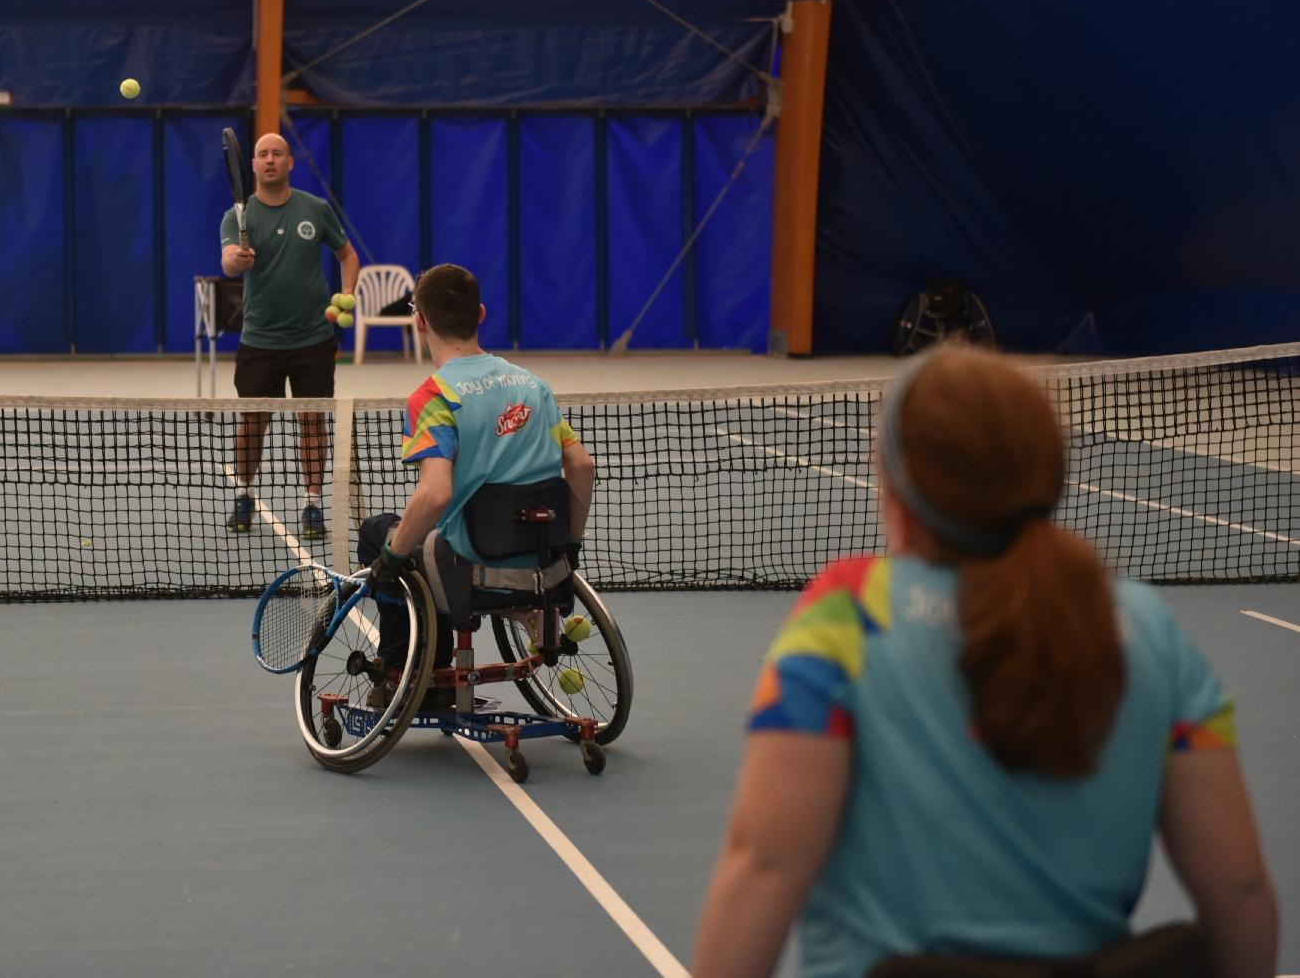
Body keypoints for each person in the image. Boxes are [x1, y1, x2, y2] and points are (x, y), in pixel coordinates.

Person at [692, 346, 1277, 978]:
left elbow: (764, 868)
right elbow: (1241, 894)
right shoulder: (1148, 629)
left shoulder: (848, 616)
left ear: (898, 491)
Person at [362, 263, 595, 708]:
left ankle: (415, 675)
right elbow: (581, 467)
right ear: (481, 315)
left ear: (421, 321)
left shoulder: (433, 397)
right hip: (545, 562)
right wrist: (570, 545)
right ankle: (526, 610)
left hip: (470, 565)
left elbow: (435, 495)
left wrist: (390, 561)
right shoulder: (533, 386)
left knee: (380, 533)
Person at [220, 132, 359, 538]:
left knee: (312, 421)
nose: (269, 160)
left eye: (277, 154)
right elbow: (228, 261)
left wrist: (347, 292)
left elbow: (348, 256)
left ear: (290, 162)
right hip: (259, 340)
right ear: (253, 165)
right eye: (262, 154)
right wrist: (237, 259)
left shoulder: (314, 209)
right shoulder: (236, 217)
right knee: (252, 423)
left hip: (313, 338)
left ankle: (313, 504)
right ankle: (243, 494)